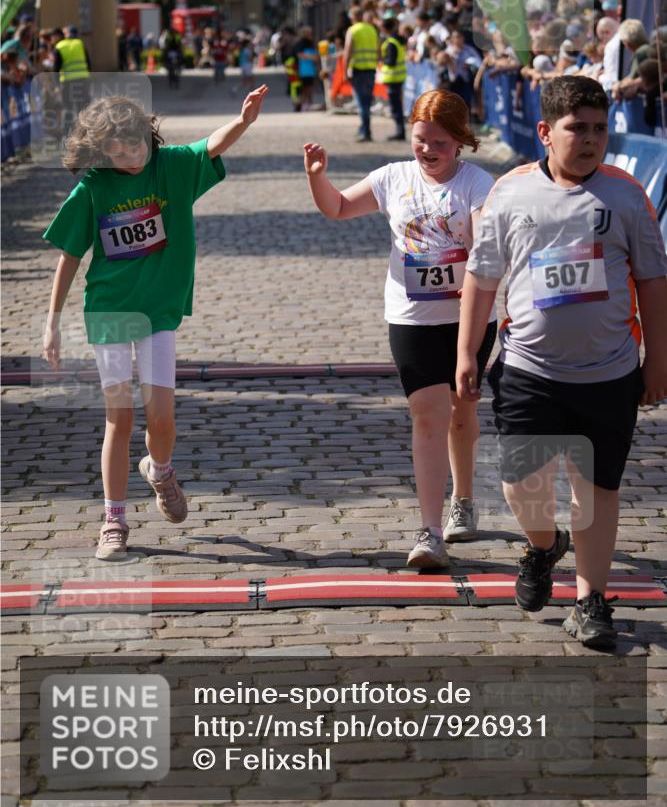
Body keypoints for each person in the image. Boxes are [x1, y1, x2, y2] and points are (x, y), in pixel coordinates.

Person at [456, 76, 667, 649]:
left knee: (596, 490)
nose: (592, 139)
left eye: (601, 128)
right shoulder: (511, 192)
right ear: (547, 132)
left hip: (610, 372)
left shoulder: (626, 195)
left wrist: (658, 361)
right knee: (519, 486)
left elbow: (652, 280)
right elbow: (482, 275)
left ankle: (590, 599)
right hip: (528, 370)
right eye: (579, 128)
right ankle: (544, 546)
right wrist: (467, 351)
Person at [42, 86, 269, 560]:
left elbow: (211, 145)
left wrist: (244, 120)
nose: (130, 156)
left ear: (149, 135)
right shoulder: (94, 188)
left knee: (161, 417)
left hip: (159, 311)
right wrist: (52, 322)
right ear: (100, 153)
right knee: (118, 419)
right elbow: (68, 255)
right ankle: (114, 520)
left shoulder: (173, 166)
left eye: (136, 144)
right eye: (117, 150)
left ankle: (161, 471)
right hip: (109, 310)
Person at [304, 89, 497, 568]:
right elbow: (338, 208)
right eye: (419, 140)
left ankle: (464, 500)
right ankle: (429, 532)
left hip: (469, 318)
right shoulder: (393, 178)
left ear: (459, 142)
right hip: (411, 316)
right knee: (428, 417)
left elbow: (485, 241)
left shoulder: (477, 183)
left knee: (460, 412)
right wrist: (318, 178)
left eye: (438, 142)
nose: (427, 150)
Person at [343, 6, 379, 143]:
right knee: (367, 101)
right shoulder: (371, 29)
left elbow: (348, 51)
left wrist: (345, 71)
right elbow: (378, 51)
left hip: (358, 70)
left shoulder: (353, 30)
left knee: (361, 103)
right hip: (370, 69)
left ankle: (365, 131)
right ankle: (364, 128)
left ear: (352, 17)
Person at [379, 16, 407, 141]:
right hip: (398, 78)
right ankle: (400, 131)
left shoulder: (391, 43)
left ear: (385, 28)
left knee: (395, 107)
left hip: (393, 78)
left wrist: (382, 60)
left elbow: (391, 61)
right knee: (397, 106)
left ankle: (399, 132)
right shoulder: (397, 40)